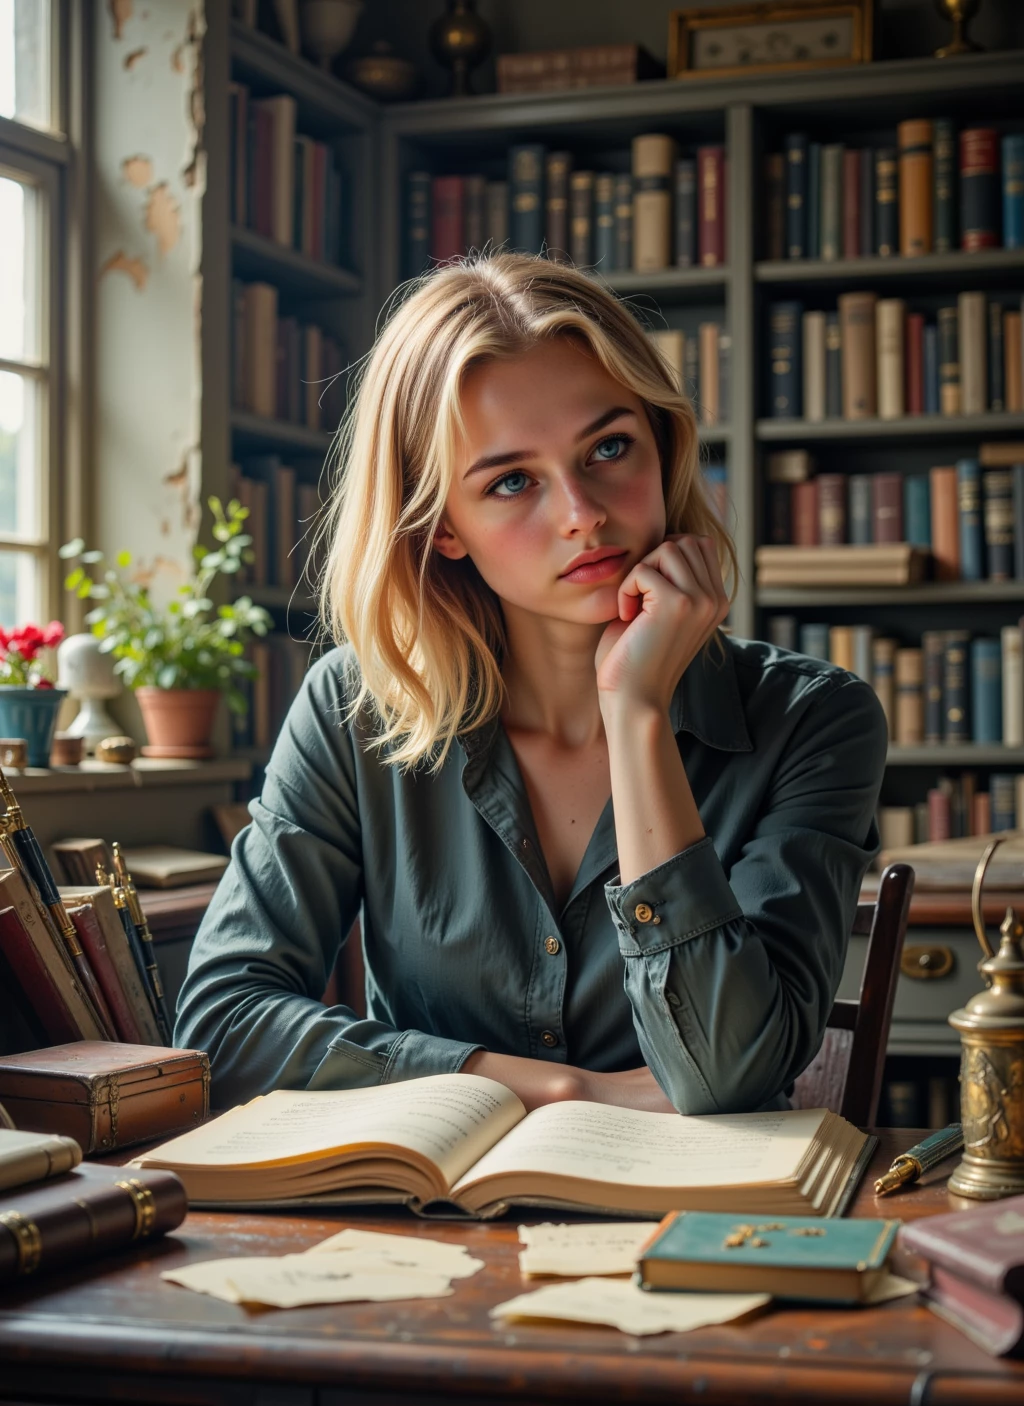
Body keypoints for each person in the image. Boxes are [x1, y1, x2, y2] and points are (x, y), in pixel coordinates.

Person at [175, 252, 887, 1116]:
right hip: (414, 1226)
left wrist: (637, 715)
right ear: (441, 528)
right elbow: (221, 1025)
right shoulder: (350, 708)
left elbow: (726, 1073)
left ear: (662, 448)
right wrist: (556, 1089)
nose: (583, 513)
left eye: (609, 448)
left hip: (686, 1232)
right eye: (512, 481)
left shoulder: (815, 719)